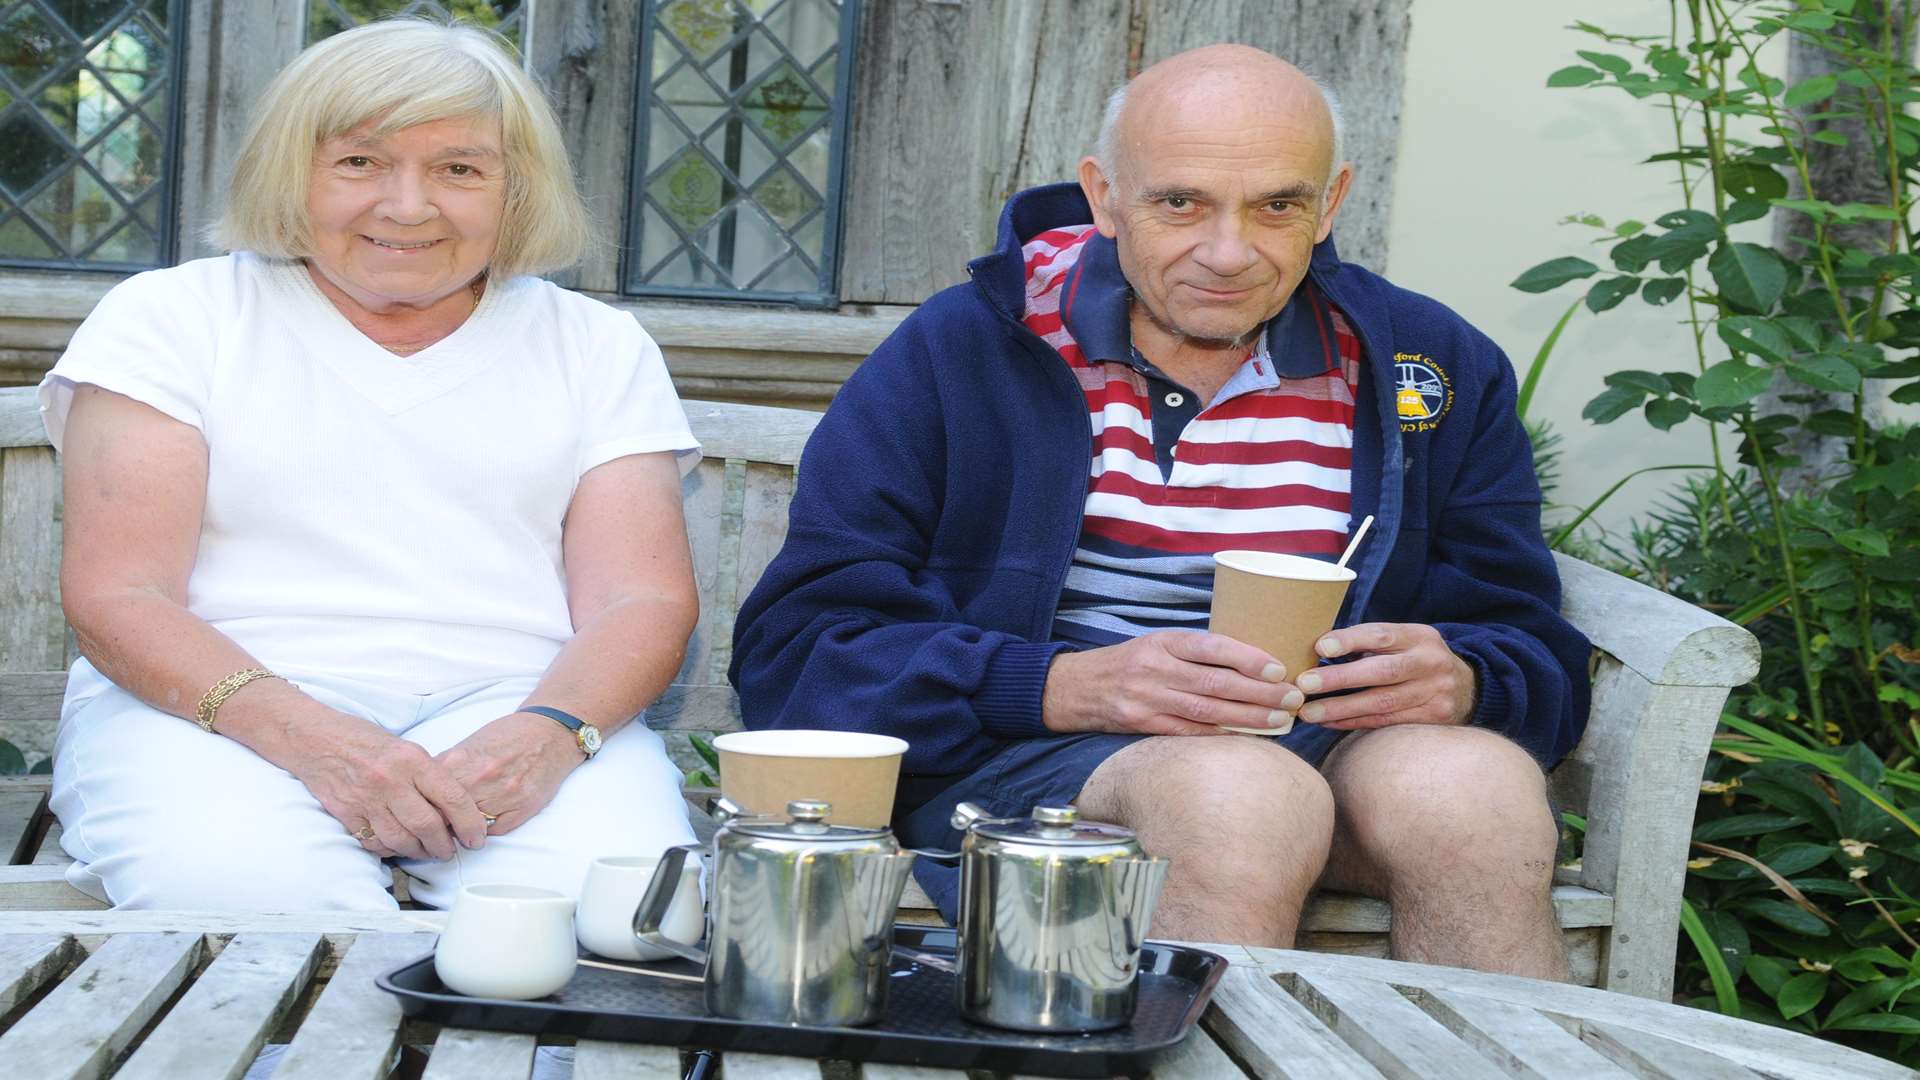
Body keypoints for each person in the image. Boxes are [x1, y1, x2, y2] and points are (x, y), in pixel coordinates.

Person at [730, 44, 1592, 979]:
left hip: (1338, 757)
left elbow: (1532, 648)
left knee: (1478, 790)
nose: (1228, 253)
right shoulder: (967, 349)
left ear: (1331, 204)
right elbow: (796, 650)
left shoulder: (1429, 363)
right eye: (1179, 202)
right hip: (1030, 770)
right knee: (1237, 793)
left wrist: (1464, 680)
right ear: (1103, 196)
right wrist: (1064, 684)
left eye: (1278, 205)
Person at [38, 19, 700, 911]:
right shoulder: (174, 319)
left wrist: (544, 736)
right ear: (292, 172)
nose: (408, 205)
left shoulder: (594, 345)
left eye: (460, 169)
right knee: (254, 901)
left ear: (515, 190)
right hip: (220, 708)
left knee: (615, 911)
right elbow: (122, 597)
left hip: (514, 708)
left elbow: (642, 599)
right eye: (359, 163)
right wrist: (320, 744)